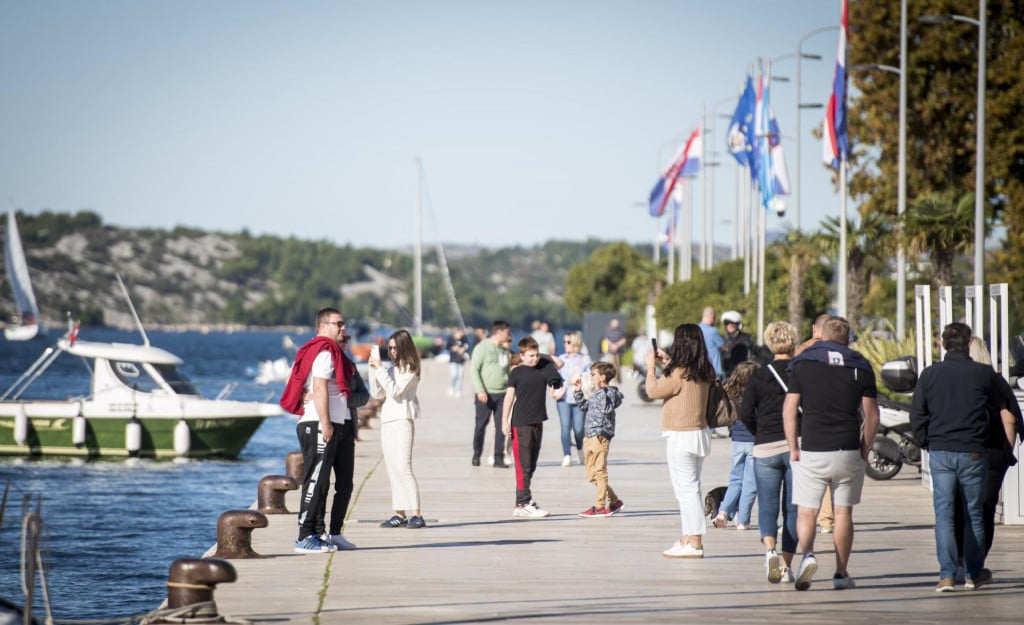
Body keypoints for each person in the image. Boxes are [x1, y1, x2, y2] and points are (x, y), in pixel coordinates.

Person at [783, 316, 879, 590]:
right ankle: (841, 573)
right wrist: (865, 449)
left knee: (806, 512)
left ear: (821, 337)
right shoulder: (860, 365)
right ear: (848, 340)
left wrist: (793, 447)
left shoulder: (803, 364)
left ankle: (808, 555)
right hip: (847, 448)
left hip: (812, 448)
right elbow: (872, 416)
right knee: (843, 514)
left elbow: (789, 410)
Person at [909, 323, 1008, 591]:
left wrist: (926, 441)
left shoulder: (930, 375)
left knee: (944, 514)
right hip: (974, 451)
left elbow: (917, 413)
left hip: (941, 451)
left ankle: (946, 575)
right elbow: (1006, 402)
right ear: (967, 345)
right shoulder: (983, 374)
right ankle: (973, 573)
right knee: (973, 514)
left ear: (943, 345)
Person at [279, 307, 355, 554]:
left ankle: (323, 532)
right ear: (324, 325)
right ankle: (304, 536)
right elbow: (319, 387)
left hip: (337, 421)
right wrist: (325, 422)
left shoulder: (332, 352)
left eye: (344, 324)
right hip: (319, 423)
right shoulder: (324, 352)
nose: (343, 328)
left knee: (336, 482)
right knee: (316, 480)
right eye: (339, 324)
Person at [951, 336, 1023, 583]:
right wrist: (1006, 451)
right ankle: (977, 567)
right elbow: (1010, 418)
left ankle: (960, 562)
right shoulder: (994, 381)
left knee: (960, 507)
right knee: (984, 509)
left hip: (960, 451)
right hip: (992, 454)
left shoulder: (955, 383)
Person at [644, 323, 717, 559]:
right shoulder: (703, 369)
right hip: (699, 434)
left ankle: (694, 541)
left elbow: (653, 390)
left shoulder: (680, 371)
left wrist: (650, 367)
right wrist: (667, 362)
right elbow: (680, 385)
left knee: (686, 490)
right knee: (689, 487)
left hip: (681, 436)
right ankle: (687, 537)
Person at [740, 321, 800, 584]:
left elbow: (744, 412)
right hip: (797, 446)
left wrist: (758, 434)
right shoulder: (801, 372)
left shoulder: (759, 375)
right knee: (792, 509)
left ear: (769, 343)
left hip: (765, 446)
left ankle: (769, 551)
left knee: (767, 505)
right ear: (794, 342)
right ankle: (786, 566)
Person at [312, 331, 364, 551]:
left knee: (345, 484)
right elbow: (306, 387)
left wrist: (343, 395)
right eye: (339, 343)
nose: (342, 347)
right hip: (325, 427)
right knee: (321, 484)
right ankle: (318, 531)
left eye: (345, 344)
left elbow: (364, 396)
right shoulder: (320, 362)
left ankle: (336, 532)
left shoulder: (350, 367)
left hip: (347, 428)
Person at [501, 336, 563, 518]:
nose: (534, 359)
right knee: (523, 466)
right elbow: (509, 398)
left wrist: (541, 355)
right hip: (520, 424)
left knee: (531, 466)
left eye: (536, 355)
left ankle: (521, 502)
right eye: (530, 355)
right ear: (521, 355)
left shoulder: (543, 367)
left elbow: (558, 363)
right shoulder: (516, 373)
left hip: (537, 422)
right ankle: (523, 502)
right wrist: (504, 421)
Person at [370, 329, 426, 529]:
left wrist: (379, 370)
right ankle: (399, 513)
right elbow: (377, 392)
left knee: (404, 467)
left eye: (395, 347)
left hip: (403, 419)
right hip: (388, 420)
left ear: (403, 346)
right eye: (390, 347)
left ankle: (416, 514)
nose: (392, 351)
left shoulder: (411, 369)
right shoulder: (391, 369)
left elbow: (395, 391)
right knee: (392, 467)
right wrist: (373, 368)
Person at [795, 313, 835, 535]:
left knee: (810, 473)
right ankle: (828, 519)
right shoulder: (841, 353)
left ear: (814, 329)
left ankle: (814, 518)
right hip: (837, 419)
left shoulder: (804, 351)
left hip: (810, 418)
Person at [573, 361, 625, 517]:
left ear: (602, 377)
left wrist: (600, 390)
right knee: (592, 475)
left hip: (600, 436)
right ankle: (615, 501)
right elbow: (584, 407)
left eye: (593, 374)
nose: (590, 377)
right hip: (589, 436)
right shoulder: (597, 393)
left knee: (600, 472)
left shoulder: (607, 393)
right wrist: (578, 392)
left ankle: (600, 506)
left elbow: (607, 408)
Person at [712, 362, 759, 531]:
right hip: (754, 440)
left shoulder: (730, 392)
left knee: (735, 480)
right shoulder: (757, 393)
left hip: (737, 441)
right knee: (750, 483)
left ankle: (723, 512)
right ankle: (743, 520)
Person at [470, 320, 513, 468]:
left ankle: (498, 457)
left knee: (502, 425)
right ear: (499, 332)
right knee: (481, 425)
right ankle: (477, 453)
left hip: (502, 393)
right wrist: (480, 389)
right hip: (485, 394)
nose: (508, 336)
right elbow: (474, 369)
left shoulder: (504, 350)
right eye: (507, 332)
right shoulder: (482, 347)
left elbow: (507, 370)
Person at [554, 331, 593, 467]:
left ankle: (580, 449)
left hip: (579, 399)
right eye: (564, 342)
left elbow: (591, 376)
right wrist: (563, 385)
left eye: (568, 342)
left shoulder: (585, 359)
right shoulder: (561, 358)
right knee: (565, 428)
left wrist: (580, 377)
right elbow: (555, 379)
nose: (565, 344)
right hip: (563, 398)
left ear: (575, 343)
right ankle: (567, 455)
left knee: (578, 429)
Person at [720, 310, 755, 378]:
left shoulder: (747, 338)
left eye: (732, 323)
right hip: (725, 375)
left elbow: (754, 356)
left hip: (743, 375)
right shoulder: (721, 339)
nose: (730, 325)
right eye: (727, 323)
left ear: (738, 324)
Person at [698, 306, 724, 379]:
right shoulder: (713, 331)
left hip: (700, 370)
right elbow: (724, 347)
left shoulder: (696, 329)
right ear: (712, 317)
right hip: (714, 371)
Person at [445, 328, 470, 398]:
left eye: (462, 334)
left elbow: (467, 345)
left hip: (461, 360)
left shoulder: (464, 338)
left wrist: (463, 349)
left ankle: (458, 390)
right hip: (453, 360)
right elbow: (447, 346)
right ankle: (451, 387)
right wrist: (453, 348)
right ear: (456, 333)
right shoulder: (451, 338)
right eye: (459, 334)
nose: (461, 335)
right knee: (454, 375)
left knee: (460, 376)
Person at [603, 318, 627, 382]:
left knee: (618, 365)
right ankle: (613, 379)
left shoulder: (621, 331)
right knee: (611, 365)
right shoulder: (608, 330)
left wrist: (617, 345)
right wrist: (612, 345)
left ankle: (618, 379)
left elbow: (623, 340)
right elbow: (606, 339)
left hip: (618, 351)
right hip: (610, 351)